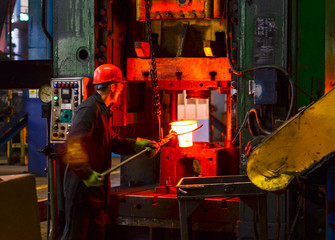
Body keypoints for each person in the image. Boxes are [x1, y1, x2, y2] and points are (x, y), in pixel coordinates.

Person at [61, 64, 160, 240]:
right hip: (81, 191)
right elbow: (73, 146)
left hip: (94, 193)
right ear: (113, 86)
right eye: (120, 86)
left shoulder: (103, 110)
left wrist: (137, 145)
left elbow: (111, 141)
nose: (121, 91)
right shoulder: (89, 109)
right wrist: (87, 175)